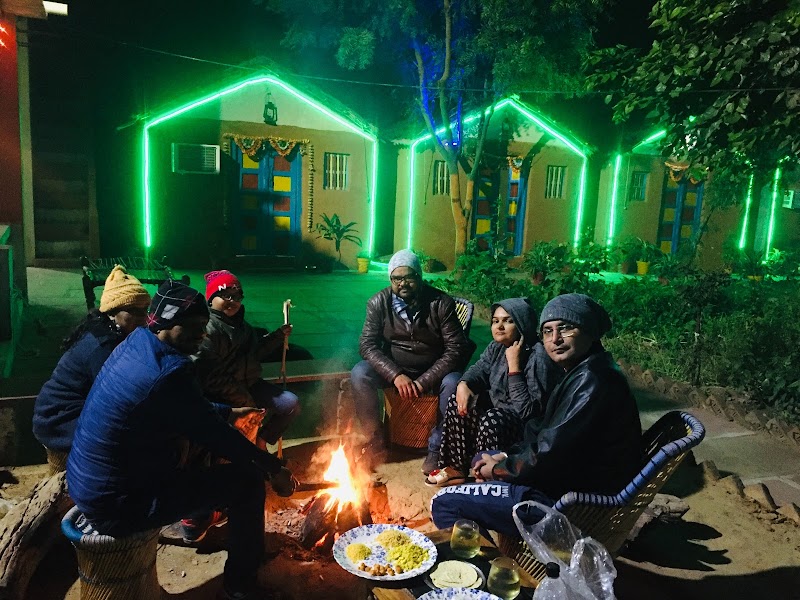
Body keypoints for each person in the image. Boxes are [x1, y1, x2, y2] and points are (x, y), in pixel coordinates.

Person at [66, 280, 297, 600]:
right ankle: (240, 585)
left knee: (196, 450)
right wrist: (273, 468)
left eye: (203, 326)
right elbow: (215, 434)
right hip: (117, 502)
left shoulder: (138, 343)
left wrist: (229, 413)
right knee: (247, 482)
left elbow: (182, 407)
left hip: (88, 482)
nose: (202, 335)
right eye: (193, 327)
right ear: (165, 322)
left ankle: (206, 519)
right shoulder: (169, 370)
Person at [430, 293, 642, 538]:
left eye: (566, 328)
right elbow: (545, 432)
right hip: (563, 481)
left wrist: (499, 469)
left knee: (444, 502)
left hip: (569, 504)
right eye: (548, 331)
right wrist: (505, 456)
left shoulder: (591, 382)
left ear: (590, 330)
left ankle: (489, 562)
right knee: (482, 459)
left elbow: (547, 450)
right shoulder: (583, 371)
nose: (555, 339)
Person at [351, 249, 472, 470]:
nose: (403, 283)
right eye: (397, 279)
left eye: (409, 277)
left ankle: (437, 447)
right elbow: (367, 345)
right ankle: (374, 440)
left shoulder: (440, 303)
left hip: (435, 368)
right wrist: (395, 375)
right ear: (390, 279)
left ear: (419, 276)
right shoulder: (378, 303)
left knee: (454, 382)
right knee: (360, 373)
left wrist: (423, 382)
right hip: (396, 367)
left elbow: (456, 348)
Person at [425, 298, 562, 486]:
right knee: (458, 400)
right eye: (495, 321)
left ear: (522, 324)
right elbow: (480, 368)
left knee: (492, 419)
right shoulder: (496, 347)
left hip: (525, 428)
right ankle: (456, 468)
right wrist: (464, 383)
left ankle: (488, 476)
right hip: (499, 410)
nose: (499, 327)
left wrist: (514, 367)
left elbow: (528, 412)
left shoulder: (538, 357)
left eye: (508, 321)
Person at [33, 265, 151, 461]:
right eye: (133, 311)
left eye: (145, 310)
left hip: (76, 411)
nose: (143, 318)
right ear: (112, 312)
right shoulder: (103, 347)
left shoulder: (114, 331)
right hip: (60, 419)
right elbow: (118, 397)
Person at [193, 270, 300, 446]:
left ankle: (261, 442)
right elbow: (211, 377)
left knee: (290, 404)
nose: (232, 301)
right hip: (220, 395)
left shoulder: (243, 327)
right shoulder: (207, 329)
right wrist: (246, 401)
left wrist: (278, 336)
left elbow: (255, 352)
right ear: (211, 298)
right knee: (238, 431)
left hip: (249, 385)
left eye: (237, 297)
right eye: (226, 295)